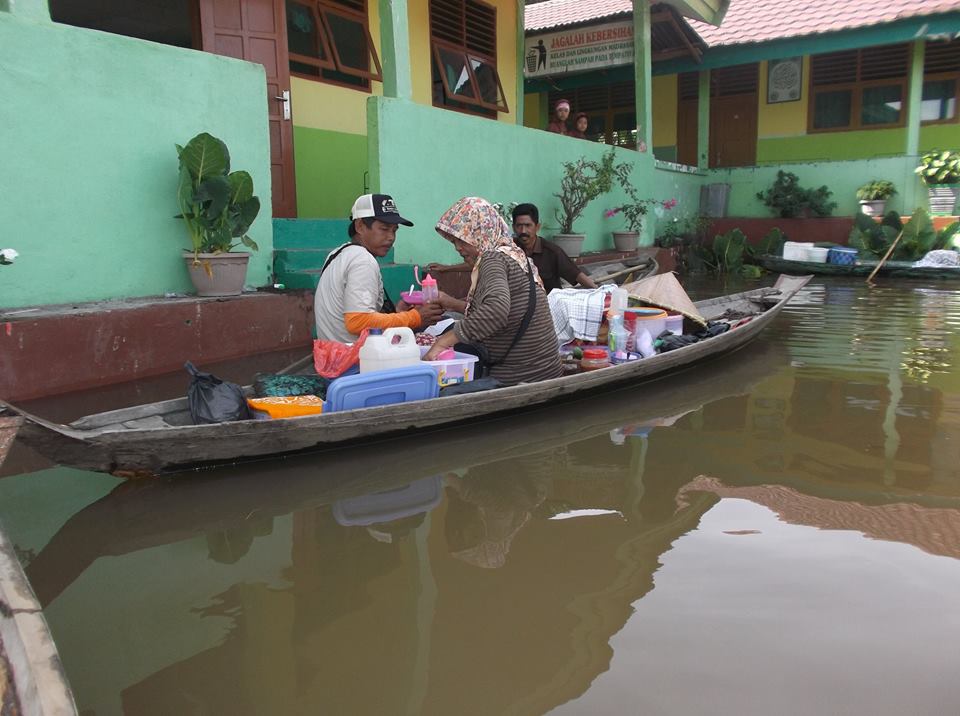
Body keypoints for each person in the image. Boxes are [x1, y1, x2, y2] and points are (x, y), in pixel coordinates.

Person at [424, 197, 562, 386]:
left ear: (480, 234)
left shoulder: (493, 259)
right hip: (546, 371)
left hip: (519, 377)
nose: (458, 247)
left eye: (462, 240)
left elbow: (495, 311)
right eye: (454, 241)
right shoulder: (513, 254)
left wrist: (443, 342)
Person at [314, 193, 443, 343]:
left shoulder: (337, 254)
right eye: (384, 229)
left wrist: (397, 313)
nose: (391, 237)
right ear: (360, 226)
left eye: (394, 230)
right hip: (354, 361)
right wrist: (415, 317)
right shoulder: (363, 260)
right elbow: (357, 321)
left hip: (334, 356)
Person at [511, 203, 597, 294]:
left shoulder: (552, 252)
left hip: (548, 304)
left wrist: (598, 291)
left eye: (528, 225)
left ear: (537, 227)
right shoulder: (509, 250)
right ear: (513, 228)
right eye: (519, 226)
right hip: (519, 305)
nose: (523, 231)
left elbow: (576, 274)